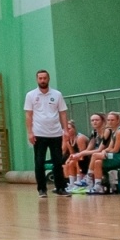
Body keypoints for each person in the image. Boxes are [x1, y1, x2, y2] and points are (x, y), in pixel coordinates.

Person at [24, 70, 68, 198]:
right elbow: (28, 115)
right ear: (37, 79)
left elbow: (63, 113)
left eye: (44, 78)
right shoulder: (31, 95)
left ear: (48, 79)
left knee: (58, 161)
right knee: (39, 162)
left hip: (56, 133)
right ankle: (42, 189)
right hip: (39, 133)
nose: (42, 80)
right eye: (40, 78)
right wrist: (30, 132)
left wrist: (65, 130)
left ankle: (60, 187)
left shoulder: (57, 94)